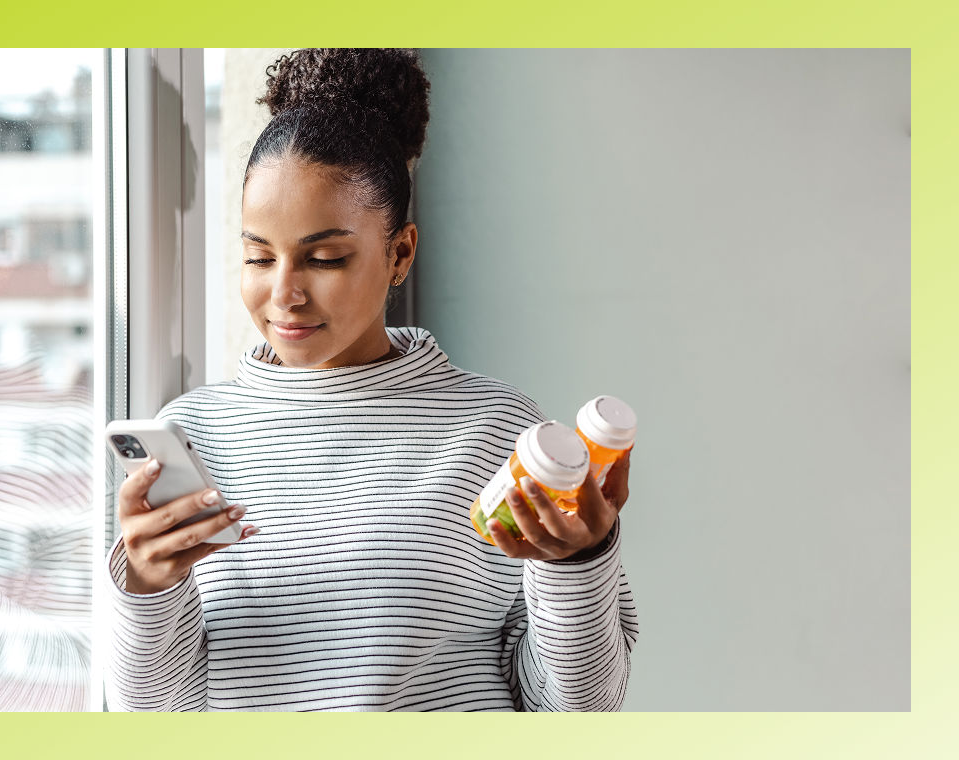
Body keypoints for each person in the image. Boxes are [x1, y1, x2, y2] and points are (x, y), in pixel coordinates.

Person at [102, 48, 639, 712]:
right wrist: (148, 589)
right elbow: (155, 717)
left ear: (400, 253)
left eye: (324, 257)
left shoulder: (498, 431)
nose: (284, 293)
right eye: (257, 256)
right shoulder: (190, 437)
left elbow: (577, 713)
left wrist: (576, 567)